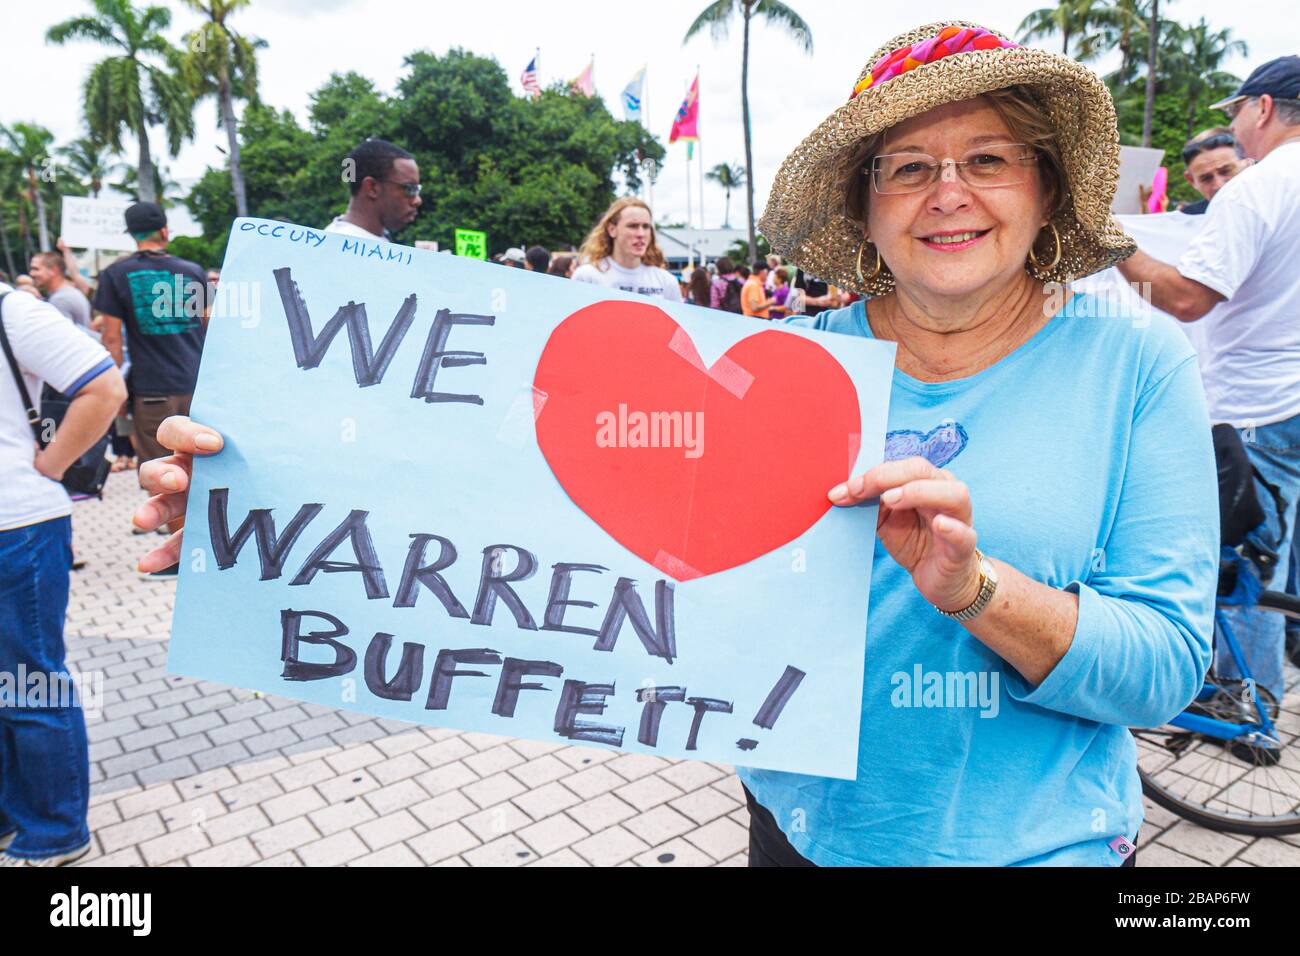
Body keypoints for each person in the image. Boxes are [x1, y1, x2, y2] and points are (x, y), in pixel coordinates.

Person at [746, 20, 1217, 865]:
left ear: (1046, 190)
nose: (949, 192)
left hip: (1046, 848)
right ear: (863, 206)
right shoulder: (786, 367)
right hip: (804, 834)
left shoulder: (1136, 362)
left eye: (990, 159)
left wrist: (976, 588)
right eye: (909, 168)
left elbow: (1167, 667)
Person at [1116, 54, 1300, 702]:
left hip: (1255, 409)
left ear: (1265, 108)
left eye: (1239, 113)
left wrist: (1114, 247)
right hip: (1289, 401)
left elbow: (1189, 298)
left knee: (1241, 563)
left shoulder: (1261, 187)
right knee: (1272, 555)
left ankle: (1250, 704)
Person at [0, 279, 127, 865]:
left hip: (17, 527)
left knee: (29, 684)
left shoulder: (13, 311)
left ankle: (54, 831)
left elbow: (104, 388)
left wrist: (50, 465)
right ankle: (12, 813)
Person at [92, 203, 209, 485]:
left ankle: (168, 526)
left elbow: (111, 339)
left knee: (162, 469)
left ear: (132, 235)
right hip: (198, 386)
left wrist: (115, 389)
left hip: (152, 390)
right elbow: (210, 326)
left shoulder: (115, 275)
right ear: (164, 231)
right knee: (202, 463)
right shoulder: (193, 271)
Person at [571, 197, 681, 301]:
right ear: (612, 230)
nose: (641, 234)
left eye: (646, 227)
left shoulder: (666, 281)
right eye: (633, 226)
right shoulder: (587, 276)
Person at [325, 138, 422, 240]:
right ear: (372, 188)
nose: (418, 201)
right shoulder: (336, 247)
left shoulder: (371, 240)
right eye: (410, 189)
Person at [1180, 127, 1249, 214]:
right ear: (1191, 180)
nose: (1219, 185)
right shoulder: (1188, 222)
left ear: (1247, 165)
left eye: (1226, 171)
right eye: (1206, 178)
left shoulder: (1270, 207)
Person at [28, 253, 93, 335]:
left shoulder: (60, 300)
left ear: (53, 270)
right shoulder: (69, 293)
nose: (31, 273)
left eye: (36, 269)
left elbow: (61, 337)